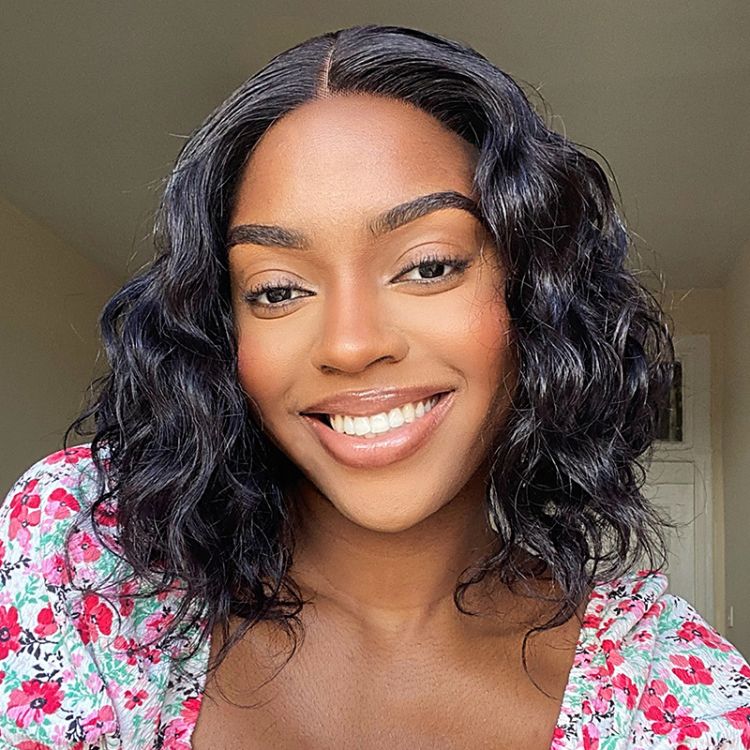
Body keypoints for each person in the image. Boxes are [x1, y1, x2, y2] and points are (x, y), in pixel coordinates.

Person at [1, 23, 748, 750]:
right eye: (277, 290)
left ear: (534, 295)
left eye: (428, 266)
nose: (351, 346)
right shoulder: (83, 555)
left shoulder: (675, 700)